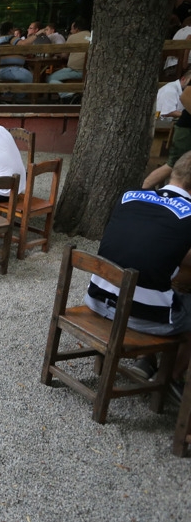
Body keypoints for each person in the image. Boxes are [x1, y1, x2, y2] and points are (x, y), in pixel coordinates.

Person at [84, 150, 191, 398]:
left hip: (97, 298)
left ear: (172, 172)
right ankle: (170, 378)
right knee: (170, 297)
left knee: (153, 280)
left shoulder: (129, 197)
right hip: (138, 315)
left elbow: (144, 242)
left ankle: (146, 359)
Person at [47, 18, 92, 102]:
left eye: (72, 29)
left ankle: (69, 95)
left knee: (50, 78)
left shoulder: (73, 37)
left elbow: (64, 55)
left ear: (77, 29)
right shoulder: (92, 36)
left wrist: (57, 54)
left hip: (76, 71)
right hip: (90, 72)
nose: (70, 31)